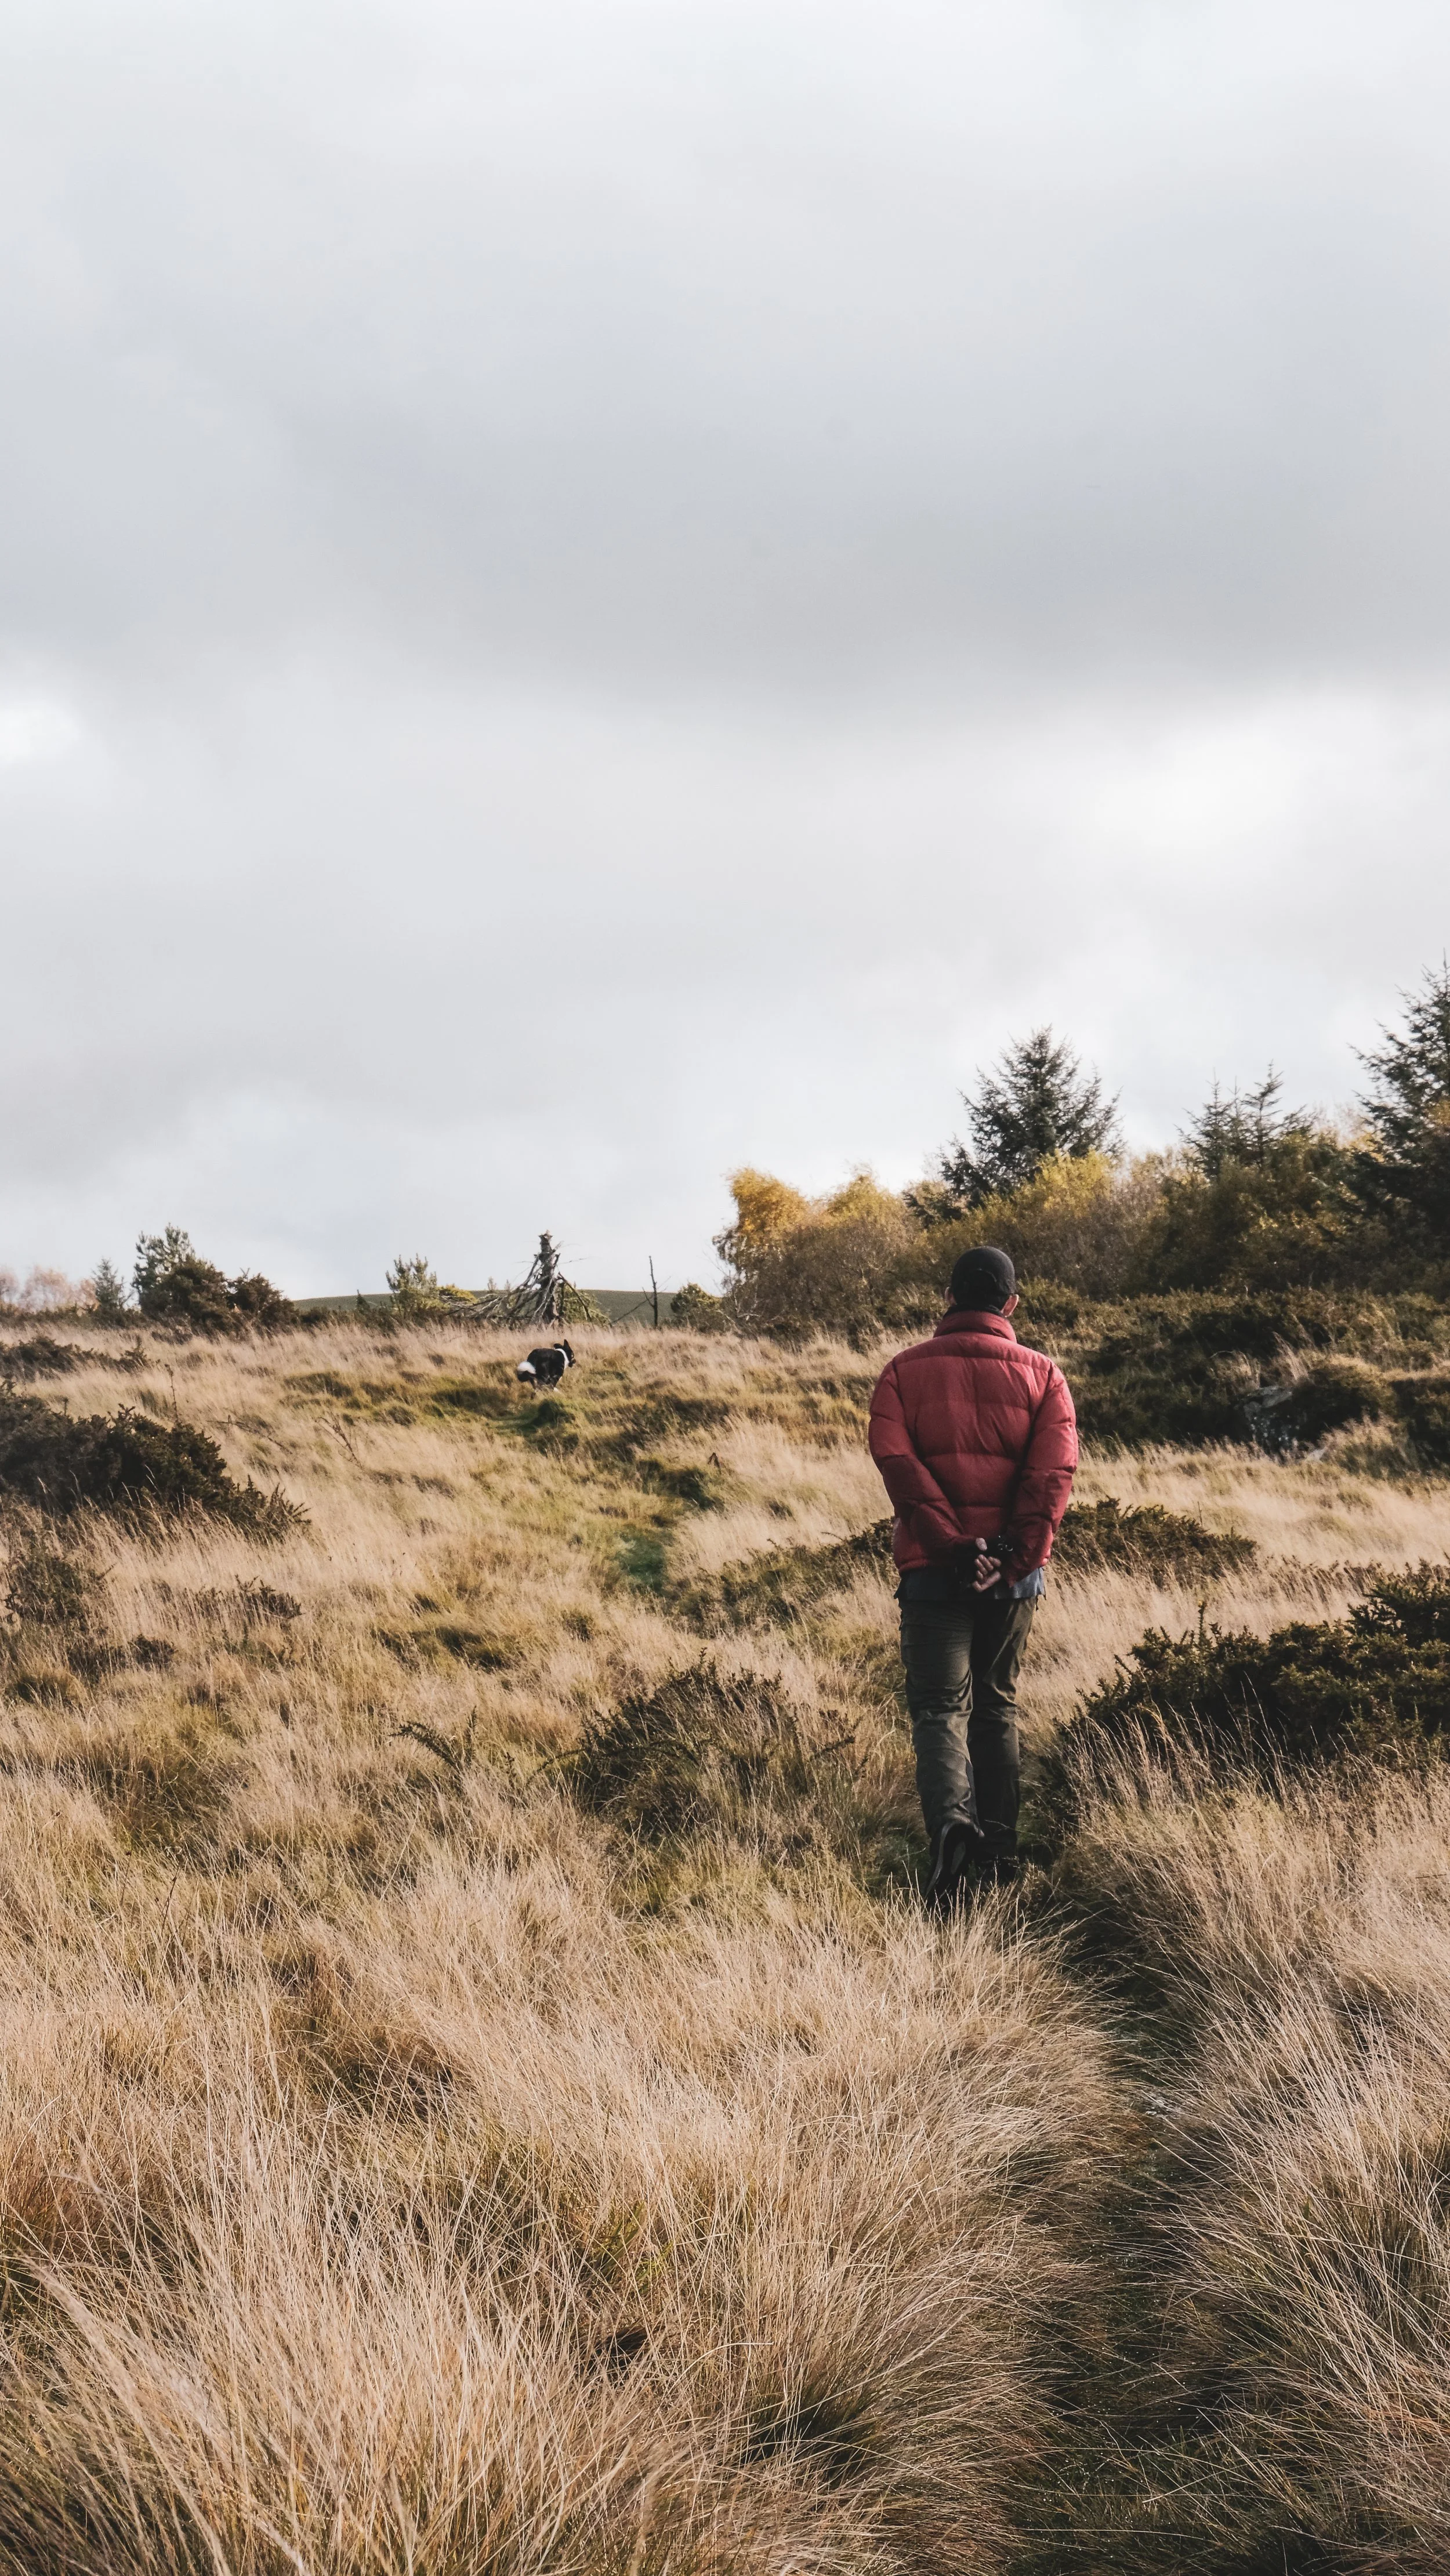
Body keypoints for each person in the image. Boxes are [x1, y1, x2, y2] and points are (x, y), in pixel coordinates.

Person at [868, 1245, 1078, 1908]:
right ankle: (999, 1850)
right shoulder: (1045, 1376)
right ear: (1010, 1304)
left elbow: (898, 1467)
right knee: (995, 1704)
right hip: (1011, 1582)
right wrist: (1012, 1556)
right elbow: (1052, 1478)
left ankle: (951, 1831)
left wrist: (956, 1548)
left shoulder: (902, 1371)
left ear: (949, 1297)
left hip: (934, 1571)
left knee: (938, 1708)